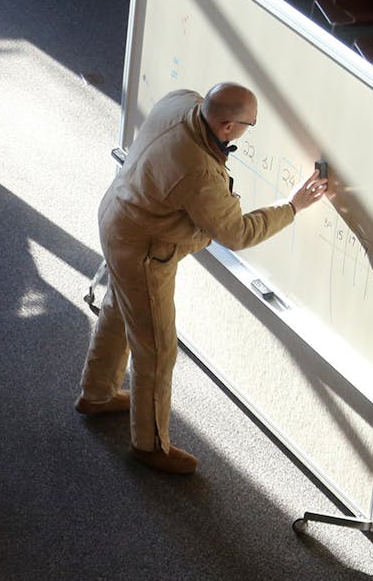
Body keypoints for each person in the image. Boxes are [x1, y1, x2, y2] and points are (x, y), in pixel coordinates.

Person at [77, 82, 330, 474]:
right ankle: (150, 445)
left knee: (119, 309)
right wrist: (293, 206)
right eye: (250, 124)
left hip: (117, 216)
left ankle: (96, 394)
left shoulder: (181, 100)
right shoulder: (198, 171)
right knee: (157, 350)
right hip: (143, 250)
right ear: (227, 127)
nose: (251, 128)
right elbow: (237, 233)